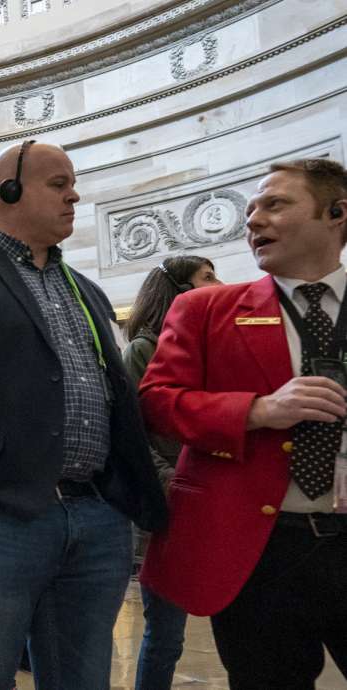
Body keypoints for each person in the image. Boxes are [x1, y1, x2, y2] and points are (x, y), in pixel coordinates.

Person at [0, 141, 167, 689]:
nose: (75, 194)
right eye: (59, 183)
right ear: (10, 191)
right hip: (0, 516)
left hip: (95, 515)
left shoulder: (87, 291)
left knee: (83, 677)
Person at [139, 158, 347, 688]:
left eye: (274, 204)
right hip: (260, 554)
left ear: (336, 212)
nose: (252, 219)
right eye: (251, 208)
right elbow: (158, 403)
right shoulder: (206, 310)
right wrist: (257, 410)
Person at [121, 255, 221, 690]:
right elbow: (131, 434)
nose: (219, 284)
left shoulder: (212, 346)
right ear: (178, 291)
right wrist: (173, 484)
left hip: (218, 502)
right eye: (207, 277)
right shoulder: (144, 349)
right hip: (170, 506)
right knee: (165, 634)